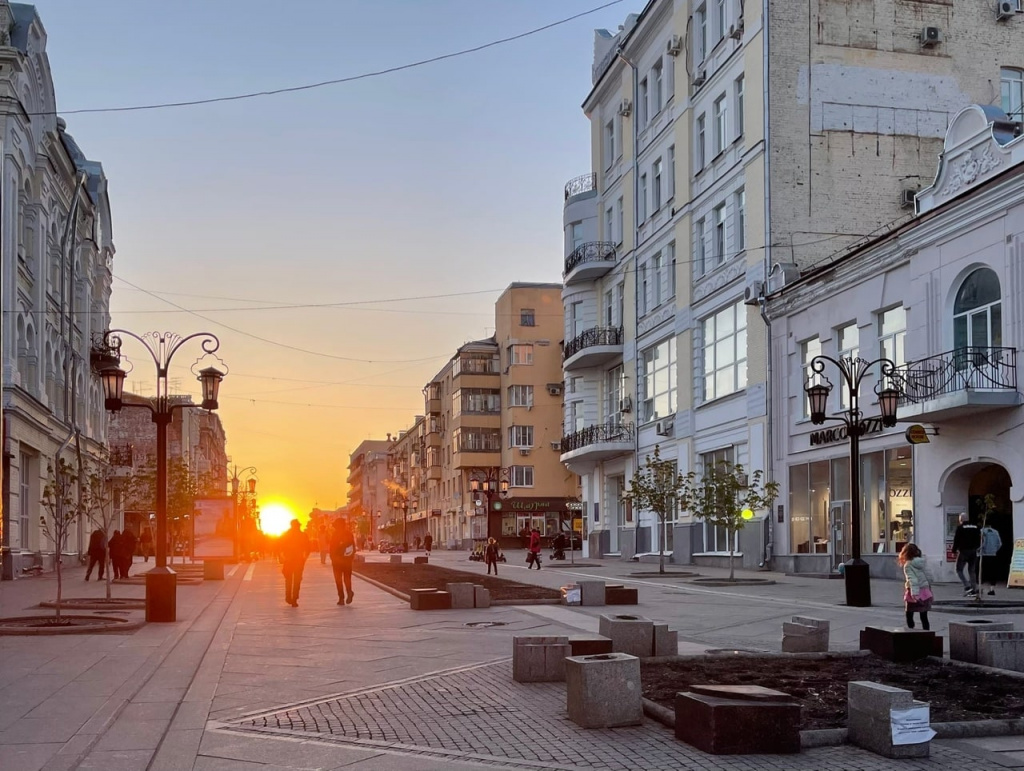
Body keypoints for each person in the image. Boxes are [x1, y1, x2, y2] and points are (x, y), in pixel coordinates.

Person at [899, 543, 933, 630]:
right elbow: (929, 575)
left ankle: (911, 630)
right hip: (925, 591)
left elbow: (912, 580)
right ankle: (927, 633)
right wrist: (929, 587)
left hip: (913, 592)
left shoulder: (908, 565)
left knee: (909, 613)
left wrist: (915, 594)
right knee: (924, 616)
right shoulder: (922, 562)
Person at [279, 519, 311, 607]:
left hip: (290, 560)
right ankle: (294, 599)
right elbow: (308, 548)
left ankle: (289, 597)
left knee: (289, 580)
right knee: (297, 580)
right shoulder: (303, 535)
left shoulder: (286, 534)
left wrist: (283, 557)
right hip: (298, 560)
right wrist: (304, 558)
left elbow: (281, 546)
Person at [952, 512, 981, 597]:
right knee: (972, 570)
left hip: (964, 551)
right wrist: (977, 547)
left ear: (961, 520)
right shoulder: (976, 527)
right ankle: (974, 588)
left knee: (959, 569)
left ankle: (967, 586)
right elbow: (979, 538)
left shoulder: (960, 528)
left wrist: (954, 551)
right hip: (973, 551)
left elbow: (956, 540)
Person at [330, 518, 357, 605]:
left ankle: (341, 598)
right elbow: (353, 546)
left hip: (337, 561)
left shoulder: (335, 534)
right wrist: (351, 557)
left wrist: (333, 558)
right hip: (347, 561)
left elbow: (332, 548)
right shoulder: (349, 534)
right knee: (347, 578)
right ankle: (349, 592)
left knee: (338, 579)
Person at [980, 520, 1004, 596]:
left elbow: (981, 543)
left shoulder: (981, 531)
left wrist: (978, 550)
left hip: (983, 555)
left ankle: (981, 589)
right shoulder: (995, 532)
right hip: (993, 555)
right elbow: (999, 543)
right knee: (992, 573)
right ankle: (992, 590)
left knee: (981, 573)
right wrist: (994, 550)